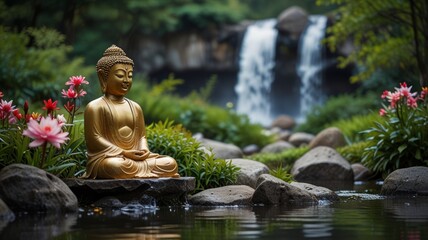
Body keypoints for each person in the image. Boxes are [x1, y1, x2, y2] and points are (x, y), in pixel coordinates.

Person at [82, 45, 179, 179]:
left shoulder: (135, 107)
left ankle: (141, 171)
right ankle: (139, 171)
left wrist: (143, 150)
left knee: (169, 163)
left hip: (136, 160)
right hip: (111, 159)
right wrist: (124, 152)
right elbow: (94, 140)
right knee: (115, 166)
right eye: (120, 75)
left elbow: (141, 137)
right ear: (103, 77)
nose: (126, 80)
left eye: (130, 75)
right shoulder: (95, 107)